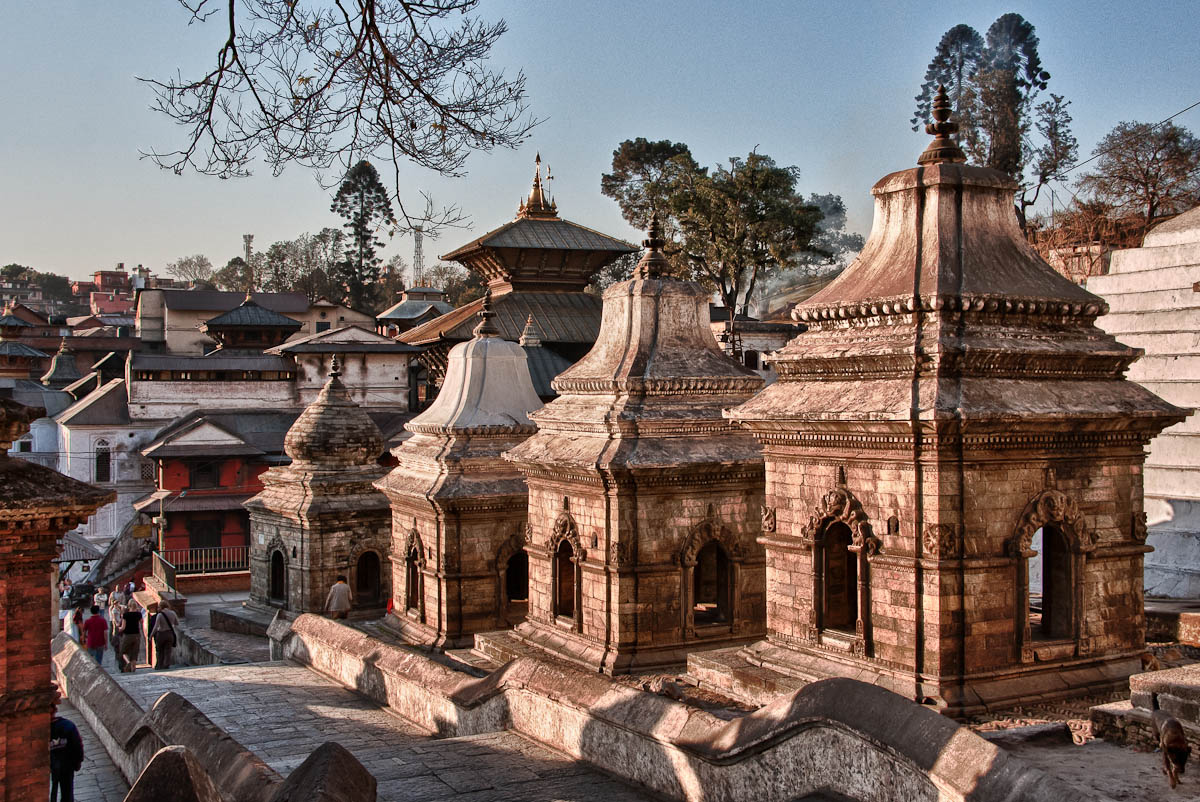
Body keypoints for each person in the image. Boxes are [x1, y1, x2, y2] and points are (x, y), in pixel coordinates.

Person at [49, 682, 84, 802]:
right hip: (66, 765)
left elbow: (77, 746)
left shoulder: (39, 731)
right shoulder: (67, 726)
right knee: (67, 792)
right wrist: (77, 762)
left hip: (53, 766)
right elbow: (77, 746)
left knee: (53, 791)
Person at [150, 601, 179, 670]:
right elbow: (177, 623)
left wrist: (151, 635)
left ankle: (159, 665)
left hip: (161, 634)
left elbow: (156, 626)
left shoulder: (160, 615)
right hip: (170, 634)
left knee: (159, 650)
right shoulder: (173, 613)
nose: (157, 609)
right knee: (168, 650)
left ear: (161, 607)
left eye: (159, 607)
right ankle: (166, 665)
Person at [118, 601, 142, 673]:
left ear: (129, 606)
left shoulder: (126, 615)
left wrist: (118, 629)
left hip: (128, 635)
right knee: (134, 652)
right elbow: (141, 622)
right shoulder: (138, 614)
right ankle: (133, 668)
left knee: (123, 651)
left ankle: (128, 662)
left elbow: (123, 627)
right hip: (137, 635)